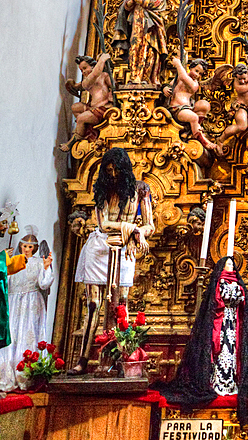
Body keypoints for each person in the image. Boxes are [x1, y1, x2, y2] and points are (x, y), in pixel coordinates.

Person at [157, 256, 248, 424]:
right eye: (227, 264)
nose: (230, 266)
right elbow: (219, 301)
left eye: (232, 264)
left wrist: (236, 297)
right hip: (221, 324)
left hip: (234, 324)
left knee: (233, 352)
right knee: (221, 352)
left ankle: (232, 383)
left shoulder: (237, 284)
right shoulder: (219, 283)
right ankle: (217, 383)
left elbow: (242, 302)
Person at [70, 148, 154, 375]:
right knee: (94, 305)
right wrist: (133, 229)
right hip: (100, 248)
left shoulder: (141, 190)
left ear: (125, 169)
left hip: (125, 249)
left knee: (120, 307)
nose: (114, 175)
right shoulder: (103, 191)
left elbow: (150, 226)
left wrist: (137, 232)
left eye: (117, 171)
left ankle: (116, 361)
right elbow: (104, 224)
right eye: (109, 172)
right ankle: (83, 359)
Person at [0, 230, 53, 391]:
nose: (26, 249)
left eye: (30, 246)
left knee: (28, 334)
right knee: (13, 335)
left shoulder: (38, 263)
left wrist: (46, 267)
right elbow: (4, 280)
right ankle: (6, 374)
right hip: (14, 301)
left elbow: (44, 284)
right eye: (24, 245)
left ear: (34, 248)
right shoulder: (14, 261)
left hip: (31, 303)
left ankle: (25, 375)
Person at [112, 0, 168, 85]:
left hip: (151, 22)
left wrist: (140, 0)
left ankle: (145, 78)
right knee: (135, 45)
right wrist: (130, 2)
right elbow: (126, 3)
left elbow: (158, 1)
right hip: (136, 19)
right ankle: (134, 76)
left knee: (149, 47)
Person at [60, 52, 113, 152]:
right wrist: (102, 60)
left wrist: (113, 91)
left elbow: (114, 86)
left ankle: (71, 143)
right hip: (93, 107)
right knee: (75, 107)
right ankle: (86, 131)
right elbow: (93, 75)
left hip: (103, 109)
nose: (83, 72)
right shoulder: (86, 82)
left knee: (81, 118)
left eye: (85, 68)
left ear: (93, 66)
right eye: (81, 70)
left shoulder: (104, 76)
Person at [163, 56, 217, 151]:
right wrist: (165, 89)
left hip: (187, 107)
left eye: (200, 74)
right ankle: (201, 139)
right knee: (194, 117)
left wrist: (178, 65)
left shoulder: (194, 83)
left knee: (204, 104)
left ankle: (196, 130)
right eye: (196, 71)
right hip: (176, 108)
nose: (197, 75)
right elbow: (170, 85)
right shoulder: (180, 76)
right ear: (191, 67)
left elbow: (185, 78)